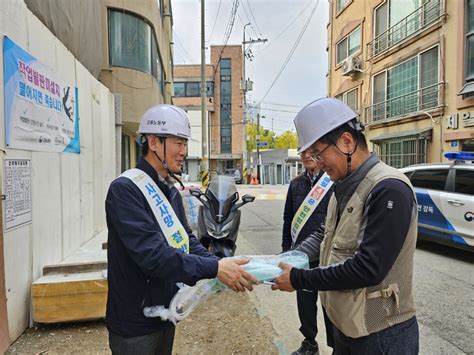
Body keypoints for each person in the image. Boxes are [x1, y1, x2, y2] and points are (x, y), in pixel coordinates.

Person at [105, 104, 257, 355]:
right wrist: (216, 268)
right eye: (178, 143)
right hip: (134, 323)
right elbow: (153, 256)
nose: (183, 152)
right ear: (153, 142)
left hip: (165, 312)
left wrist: (219, 262)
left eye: (185, 144)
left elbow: (185, 240)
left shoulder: (170, 190)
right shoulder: (126, 190)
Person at [272, 98, 419, 354]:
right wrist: (287, 260)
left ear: (347, 142)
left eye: (319, 153)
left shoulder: (389, 188)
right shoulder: (342, 186)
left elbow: (368, 268)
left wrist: (298, 278)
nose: (316, 162)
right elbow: (323, 235)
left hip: (381, 334)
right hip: (347, 327)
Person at [282, 151, 332, 355]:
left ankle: (338, 344)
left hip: (328, 253)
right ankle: (310, 342)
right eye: (303, 152)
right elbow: (288, 218)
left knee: (332, 303)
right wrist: (286, 250)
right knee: (305, 301)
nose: (306, 155)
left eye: (312, 151)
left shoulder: (332, 181)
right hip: (301, 254)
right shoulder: (296, 184)